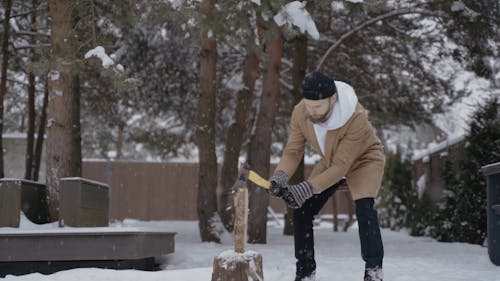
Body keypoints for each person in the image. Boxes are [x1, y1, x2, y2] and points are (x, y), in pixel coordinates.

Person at [269, 71, 385, 281]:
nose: (311, 111)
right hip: (330, 160)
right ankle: (305, 272)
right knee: (302, 207)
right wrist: (280, 176)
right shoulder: (301, 112)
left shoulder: (354, 116)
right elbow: (293, 151)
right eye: (308, 105)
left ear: (333, 99)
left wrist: (306, 187)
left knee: (364, 207)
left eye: (317, 106)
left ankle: (373, 270)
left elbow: (342, 167)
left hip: (364, 159)